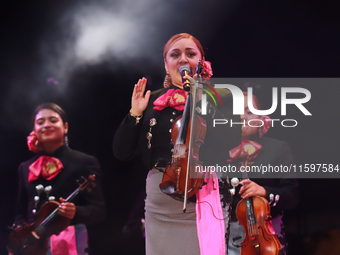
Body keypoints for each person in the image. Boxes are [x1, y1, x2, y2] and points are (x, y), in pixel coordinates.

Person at [113, 33, 242, 255]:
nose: (183, 59)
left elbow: (232, 139)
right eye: (175, 54)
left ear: (201, 62)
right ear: (166, 64)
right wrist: (135, 114)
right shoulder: (151, 100)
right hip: (161, 196)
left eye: (190, 54)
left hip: (204, 192)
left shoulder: (220, 97)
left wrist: (201, 98)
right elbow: (121, 152)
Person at [11, 103, 106, 255]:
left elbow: (99, 211)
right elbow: (21, 213)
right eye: (40, 122)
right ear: (34, 130)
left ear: (66, 127)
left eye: (53, 120)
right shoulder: (25, 167)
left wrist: (76, 212)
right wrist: (18, 236)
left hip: (68, 244)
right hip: (33, 246)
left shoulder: (84, 161)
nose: (47, 125)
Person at [227, 92, 299, 255]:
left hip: (266, 237)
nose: (242, 116)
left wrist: (264, 192)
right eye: (237, 111)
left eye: (249, 111)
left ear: (261, 118)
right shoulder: (220, 153)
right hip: (228, 237)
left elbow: (292, 196)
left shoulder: (278, 148)